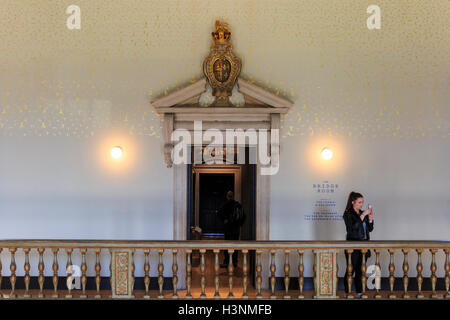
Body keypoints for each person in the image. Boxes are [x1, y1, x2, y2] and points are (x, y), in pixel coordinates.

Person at [342, 191, 374, 297]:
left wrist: (370, 219)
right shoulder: (348, 214)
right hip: (352, 246)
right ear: (353, 202)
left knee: (361, 270)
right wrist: (363, 215)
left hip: (364, 245)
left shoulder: (362, 213)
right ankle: (348, 292)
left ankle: (359, 292)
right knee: (351, 269)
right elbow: (352, 229)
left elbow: (370, 229)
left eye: (362, 202)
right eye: (359, 202)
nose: (361, 204)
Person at [218, 190, 245, 268]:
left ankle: (227, 262)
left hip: (228, 228)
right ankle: (234, 262)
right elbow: (243, 215)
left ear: (227, 196)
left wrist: (224, 220)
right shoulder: (238, 205)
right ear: (233, 196)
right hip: (236, 228)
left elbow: (219, 214)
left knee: (227, 244)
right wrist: (240, 224)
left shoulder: (225, 205)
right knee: (235, 245)